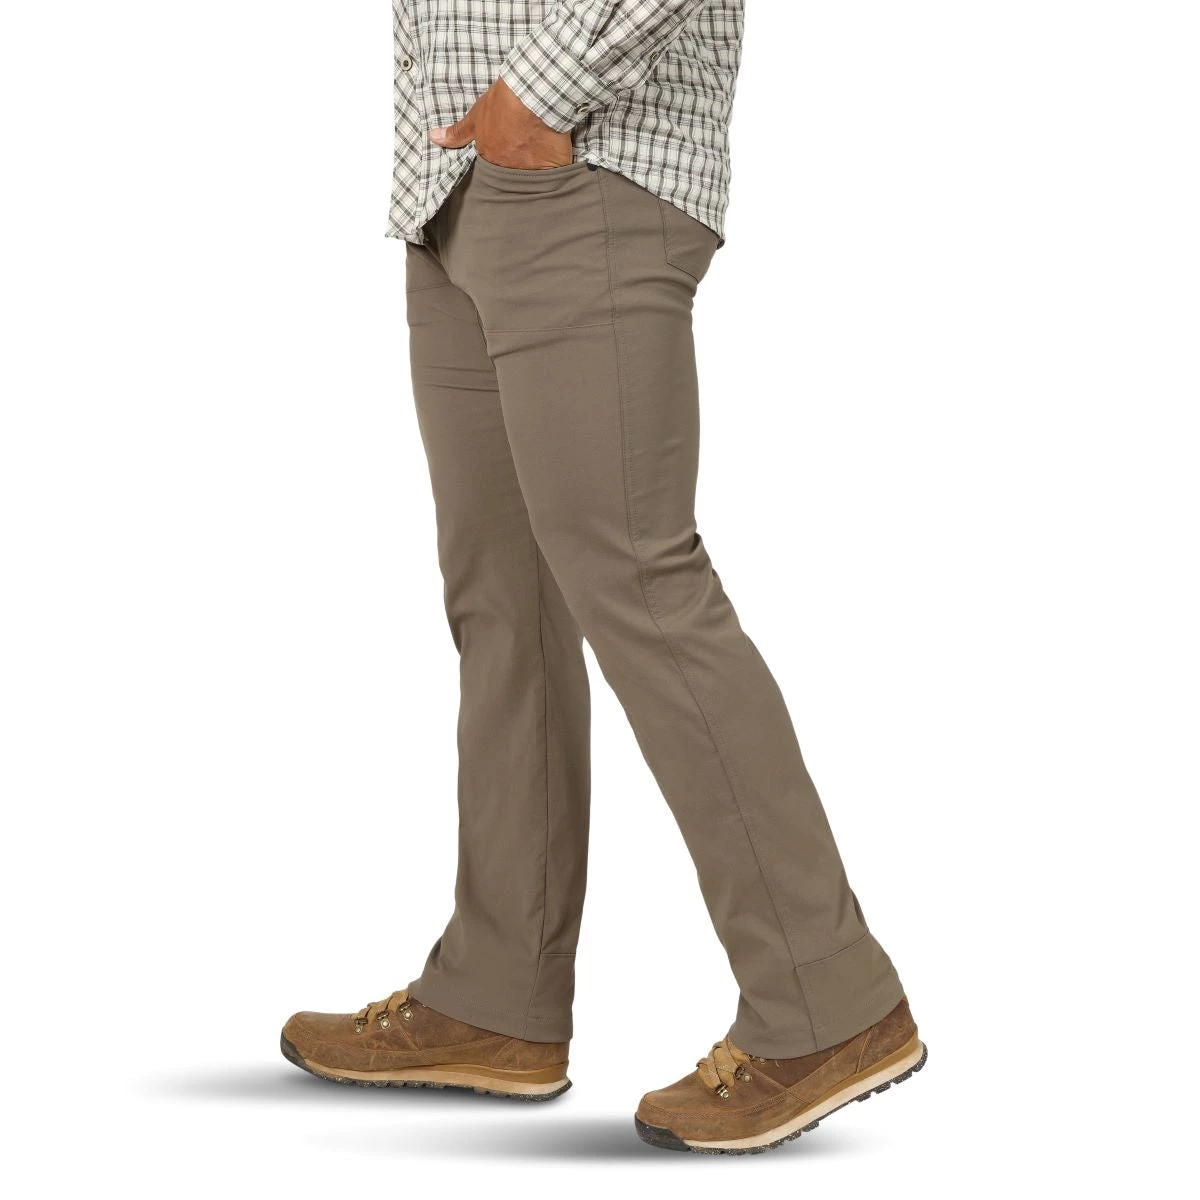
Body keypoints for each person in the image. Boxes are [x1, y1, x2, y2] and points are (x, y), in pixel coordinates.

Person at [281, 1, 924, 1154]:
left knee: (642, 585)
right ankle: (496, 997)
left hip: (583, 166)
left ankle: (829, 1001)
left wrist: (534, 100)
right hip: (454, 183)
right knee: (503, 601)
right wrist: (468, 138)